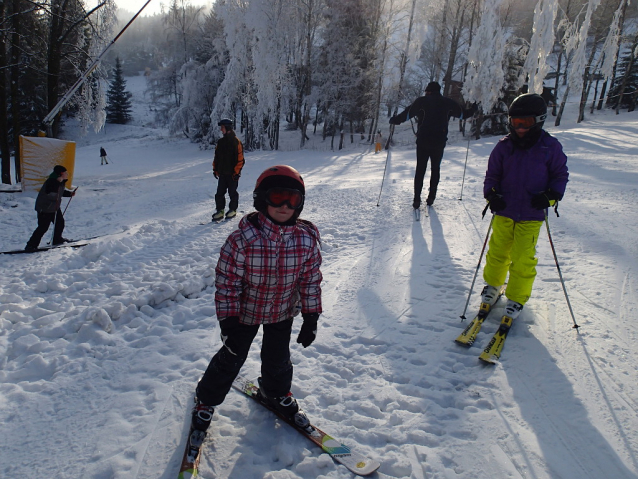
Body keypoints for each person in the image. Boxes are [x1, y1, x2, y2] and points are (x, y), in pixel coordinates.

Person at [191, 165, 323, 434]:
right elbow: (227, 282)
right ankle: (206, 400)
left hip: (282, 311)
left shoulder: (306, 240)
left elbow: (310, 280)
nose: (285, 205)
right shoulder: (242, 240)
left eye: (293, 199)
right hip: (244, 315)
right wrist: (228, 322)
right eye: (277, 197)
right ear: (262, 199)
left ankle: (275, 392)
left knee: (278, 359)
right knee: (231, 358)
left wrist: (311, 316)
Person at [480, 93, 568, 319]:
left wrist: (550, 196)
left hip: (531, 213)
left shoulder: (550, 147)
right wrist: (492, 195)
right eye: (514, 122)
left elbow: (560, 175)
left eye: (525, 123)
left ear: (538, 120)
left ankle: (517, 297)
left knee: (522, 257)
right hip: (504, 210)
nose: (519, 128)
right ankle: (492, 286)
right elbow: (492, 176)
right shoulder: (503, 147)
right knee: (497, 251)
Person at [389, 81, 476, 208]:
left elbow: (407, 114)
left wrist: (395, 120)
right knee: (435, 169)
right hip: (439, 142)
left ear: (428, 91)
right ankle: (431, 198)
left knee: (420, 169)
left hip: (423, 141)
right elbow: (464, 114)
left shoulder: (422, 101)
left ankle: (417, 199)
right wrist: (474, 108)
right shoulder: (448, 103)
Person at [25, 165, 76, 251]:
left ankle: (57, 239)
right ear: (61, 174)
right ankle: (31, 245)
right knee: (43, 227)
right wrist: (58, 183)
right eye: (65, 173)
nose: (67, 174)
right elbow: (51, 193)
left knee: (60, 223)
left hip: (53, 207)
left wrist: (69, 194)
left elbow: (60, 192)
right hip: (44, 208)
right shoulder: (52, 182)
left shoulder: (59, 181)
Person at [212, 118, 244, 221]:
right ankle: (220, 210)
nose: (221, 130)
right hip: (222, 173)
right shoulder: (220, 142)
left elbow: (240, 159)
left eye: (222, 127)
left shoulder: (236, 142)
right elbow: (216, 157)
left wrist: (237, 172)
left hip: (232, 174)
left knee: (232, 193)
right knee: (219, 193)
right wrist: (215, 169)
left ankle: (232, 210)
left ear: (228, 128)